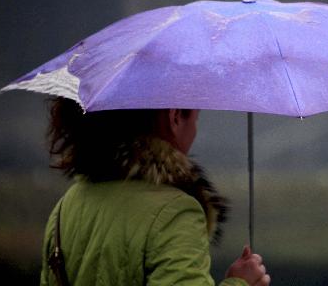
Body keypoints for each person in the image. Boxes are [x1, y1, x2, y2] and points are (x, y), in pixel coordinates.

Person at [40, 97, 270, 286]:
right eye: (196, 119)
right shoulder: (175, 213)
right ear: (175, 117)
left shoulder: (66, 207)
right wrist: (242, 283)